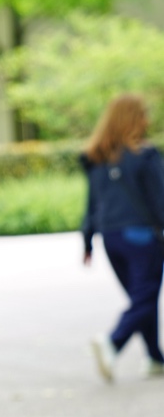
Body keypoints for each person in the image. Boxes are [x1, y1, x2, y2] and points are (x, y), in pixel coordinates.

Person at [81, 94, 164, 381]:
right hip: (142, 236)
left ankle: (155, 357)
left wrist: (87, 240)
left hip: (111, 238)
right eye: (143, 114)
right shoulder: (145, 155)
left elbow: (91, 204)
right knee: (145, 296)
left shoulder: (96, 157)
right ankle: (113, 342)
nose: (147, 120)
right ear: (133, 119)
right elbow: (160, 199)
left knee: (141, 297)